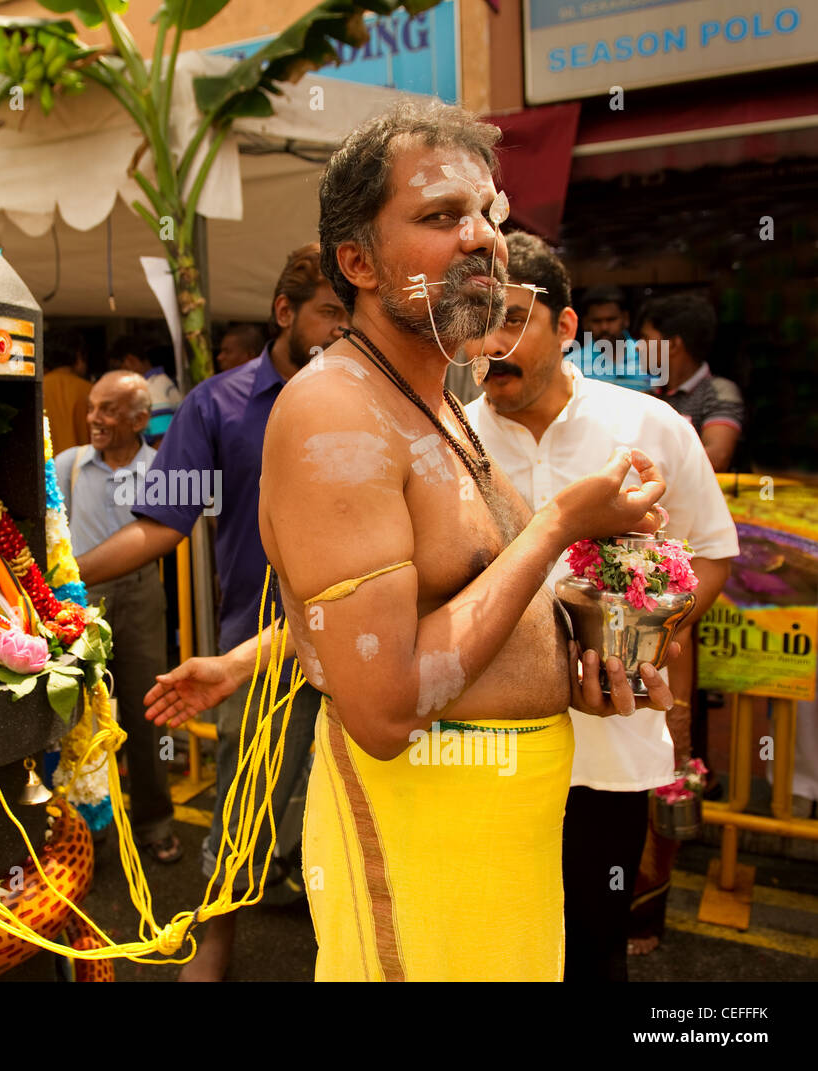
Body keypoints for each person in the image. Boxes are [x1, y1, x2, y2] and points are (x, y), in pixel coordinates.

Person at [254, 101, 680, 981]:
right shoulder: (335, 410)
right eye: (442, 216)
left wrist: (588, 666)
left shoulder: (444, 403)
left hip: (503, 856)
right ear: (358, 262)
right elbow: (384, 707)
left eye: (489, 213)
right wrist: (563, 520)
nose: (483, 238)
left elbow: (470, 613)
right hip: (419, 862)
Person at [463, 232, 737, 980]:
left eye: (513, 318)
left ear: (568, 328)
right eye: (478, 320)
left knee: (592, 946)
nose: (492, 343)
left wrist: (663, 629)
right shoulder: (451, 441)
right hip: (485, 742)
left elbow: (711, 549)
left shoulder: (649, 428)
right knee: (495, 952)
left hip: (608, 742)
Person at [79, 243, 348, 981]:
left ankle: (350, 947)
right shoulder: (219, 405)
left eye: (352, 315)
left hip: (368, 636)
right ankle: (214, 945)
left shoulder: (372, 398)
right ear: (286, 312)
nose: (342, 329)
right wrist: (64, 578)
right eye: (330, 311)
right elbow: (164, 523)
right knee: (244, 805)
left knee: (359, 804)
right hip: (257, 651)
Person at [54, 371, 180, 863]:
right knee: (81, 713)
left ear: (140, 419)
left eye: (108, 410)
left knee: (148, 708)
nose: (94, 419)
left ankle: (155, 823)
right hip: (81, 599)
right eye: (92, 408)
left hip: (142, 594)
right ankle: (86, 828)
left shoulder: (160, 469)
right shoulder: (68, 465)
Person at [643, 292, 744, 472]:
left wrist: (647, 467)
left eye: (646, 338)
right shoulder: (649, 396)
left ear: (673, 345)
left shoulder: (719, 392)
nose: (638, 346)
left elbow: (717, 458)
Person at [576, 286, 651, 392]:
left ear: (626, 319)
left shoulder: (650, 356)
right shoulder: (573, 364)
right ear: (585, 323)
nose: (604, 327)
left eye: (611, 320)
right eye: (596, 321)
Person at [109, 336, 182, 445]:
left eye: (118, 369)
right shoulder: (154, 384)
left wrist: (142, 462)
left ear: (130, 360)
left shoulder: (155, 387)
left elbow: (161, 442)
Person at [42, 331, 92, 456]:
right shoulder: (91, 390)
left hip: (45, 470)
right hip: (82, 468)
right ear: (78, 355)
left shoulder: (35, 390)